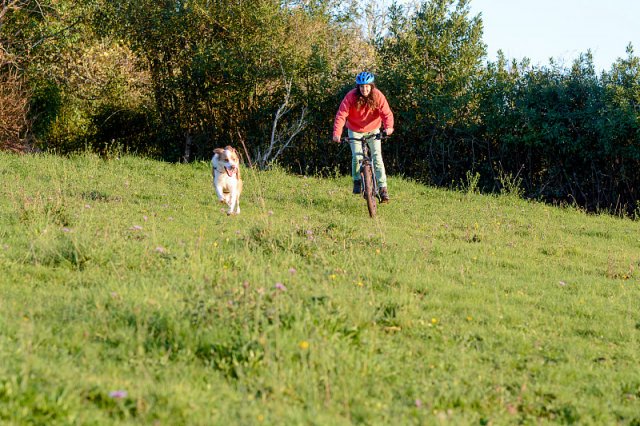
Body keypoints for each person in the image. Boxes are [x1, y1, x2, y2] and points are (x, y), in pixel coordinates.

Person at [332, 71, 394, 202]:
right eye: (361, 86)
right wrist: (337, 133)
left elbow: (386, 113)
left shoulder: (377, 96)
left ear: (371, 86)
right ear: (357, 87)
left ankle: (383, 189)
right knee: (357, 156)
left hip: (373, 129)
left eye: (367, 86)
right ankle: (357, 181)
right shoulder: (351, 97)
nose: (364, 89)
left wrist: (388, 127)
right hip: (355, 129)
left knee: (377, 157)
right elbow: (341, 114)